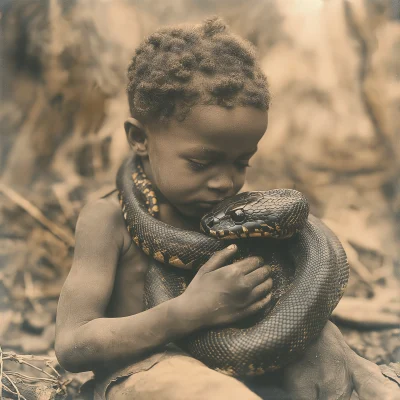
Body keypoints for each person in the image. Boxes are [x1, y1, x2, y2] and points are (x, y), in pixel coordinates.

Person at [55, 17, 398, 400]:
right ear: (139, 139)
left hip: (248, 358)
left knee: (347, 371)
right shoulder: (107, 219)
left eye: (241, 163)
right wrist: (187, 312)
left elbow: (288, 298)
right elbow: (71, 344)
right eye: (202, 164)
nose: (225, 183)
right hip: (146, 367)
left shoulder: (238, 218)